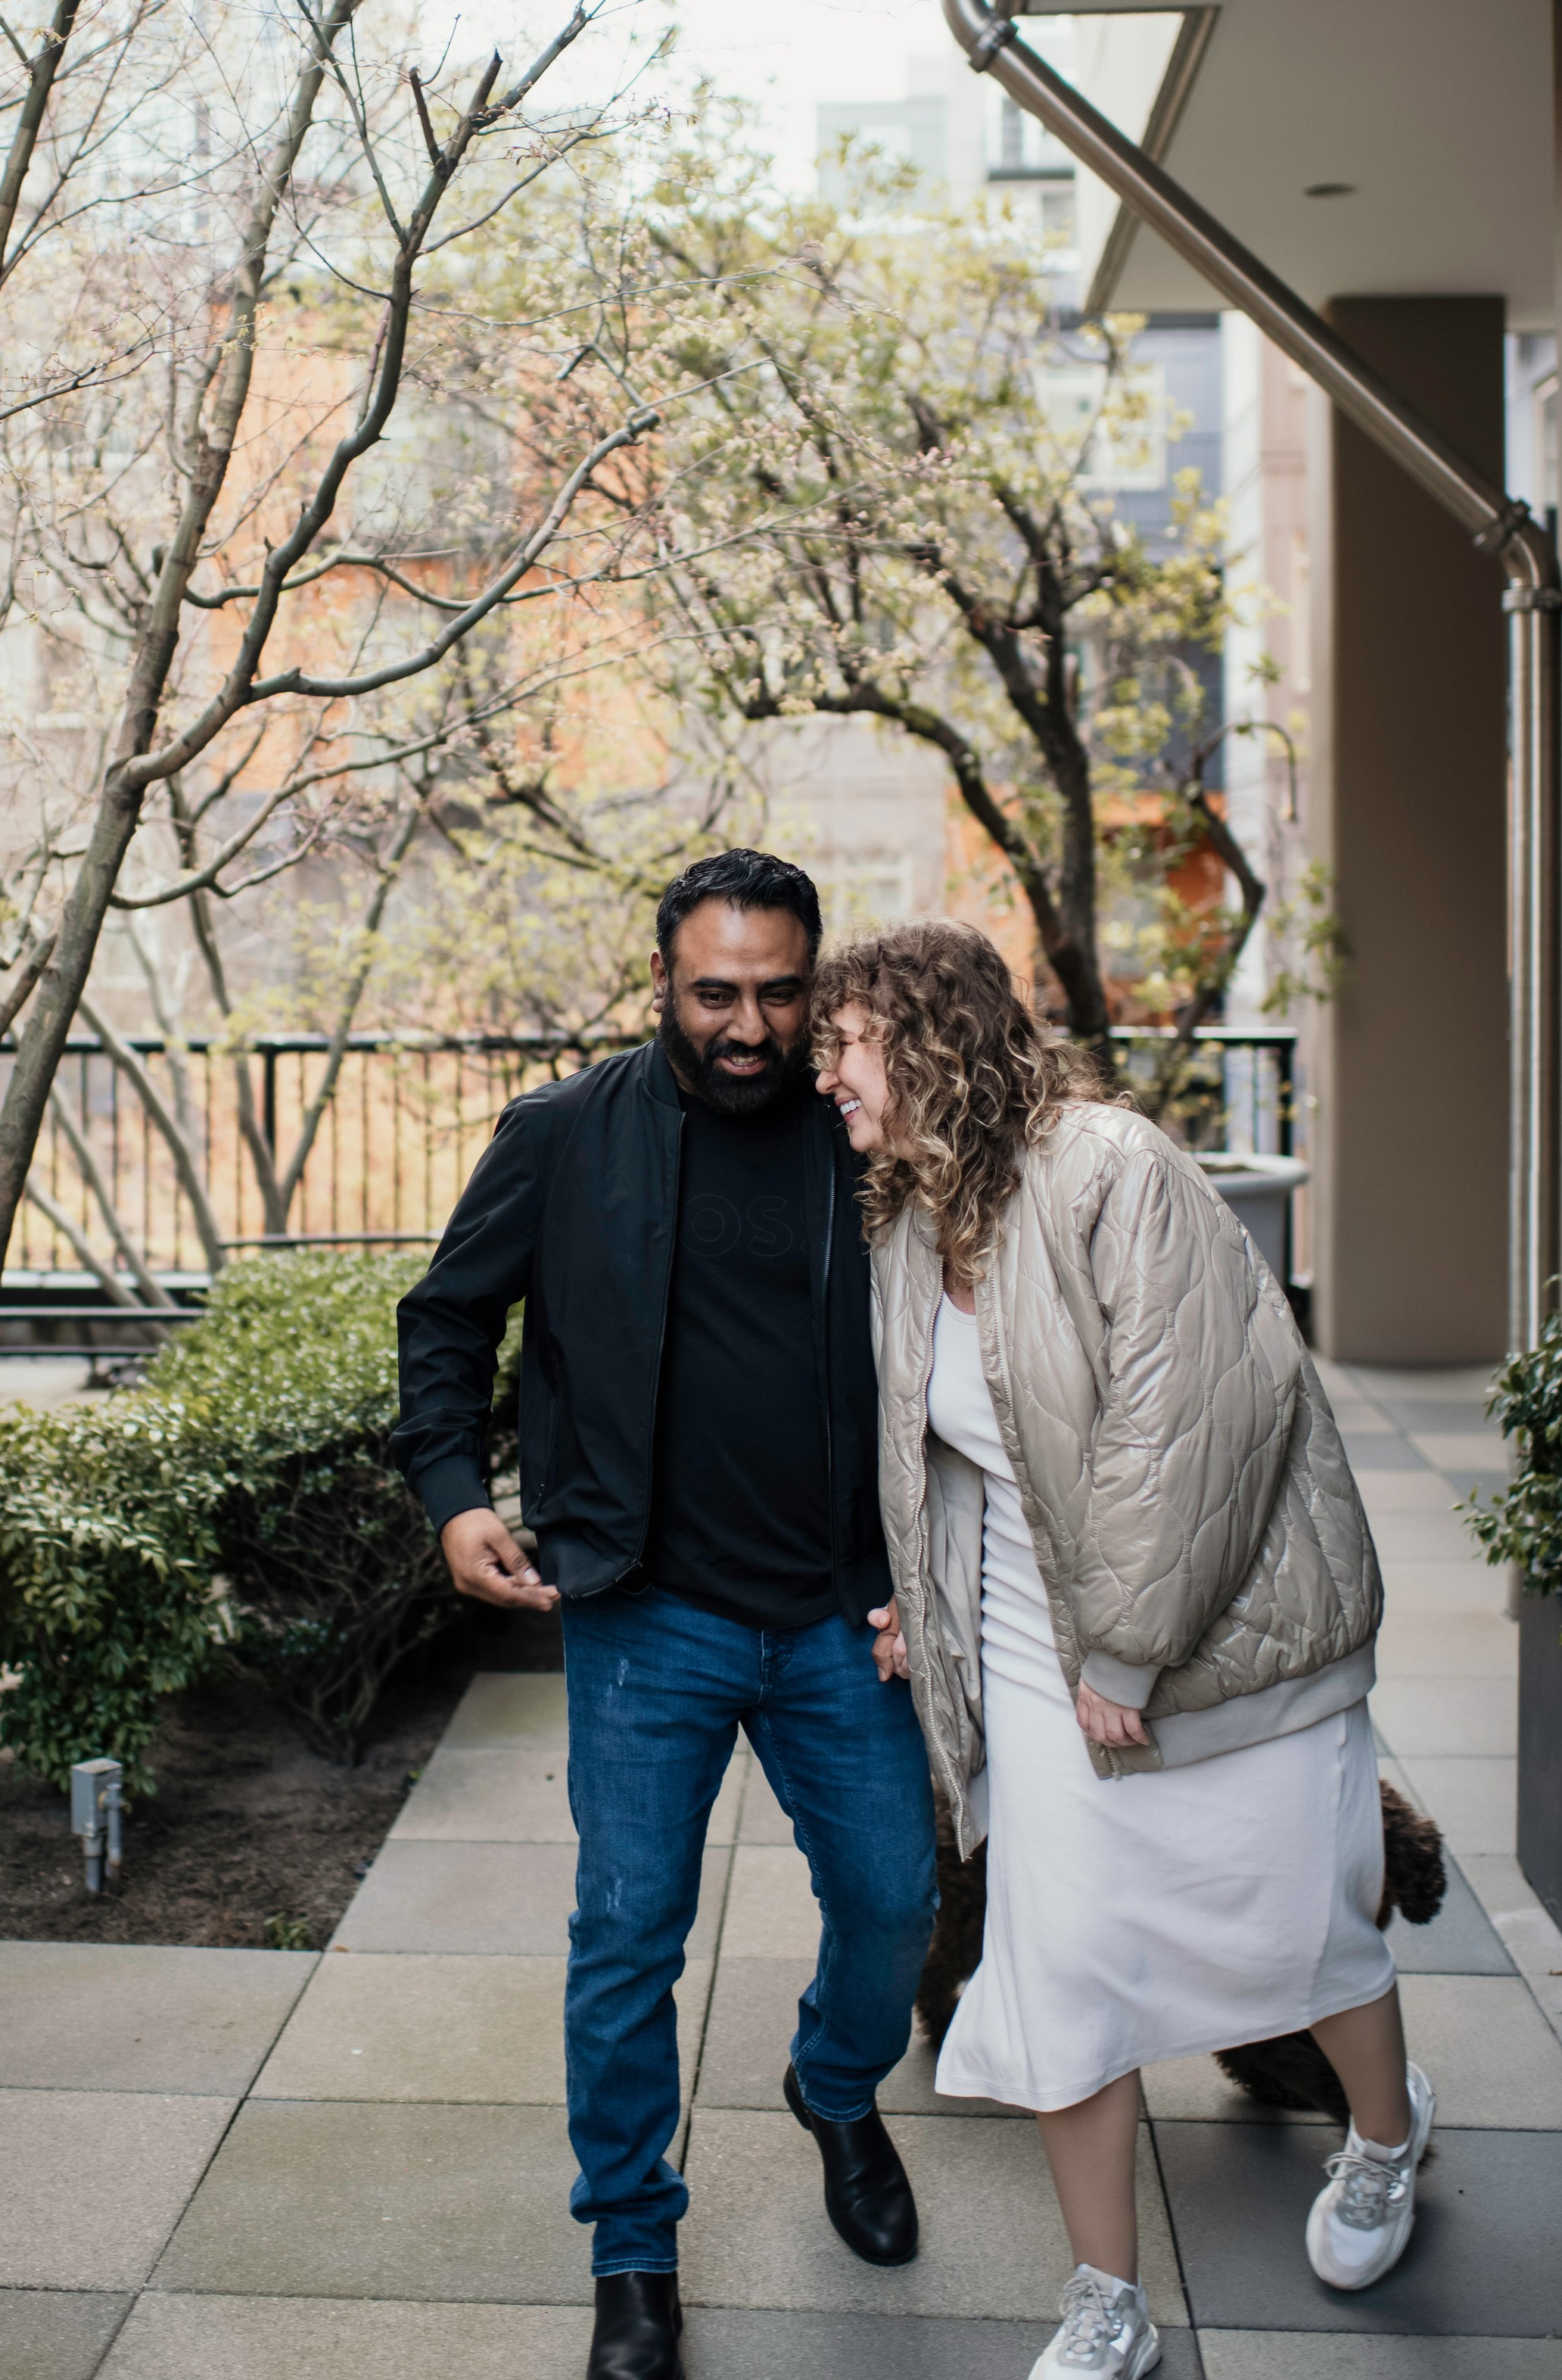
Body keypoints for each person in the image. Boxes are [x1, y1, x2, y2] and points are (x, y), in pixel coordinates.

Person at [813, 917, 1427, 2380]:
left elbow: (1196, 1424)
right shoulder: (903, 1220)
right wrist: (931, 1607)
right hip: (1035, 1659)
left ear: (928, 1037)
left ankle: (1389, 2145)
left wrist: (1127, 1662)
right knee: (1064, 1968)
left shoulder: (1115, 1168)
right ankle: (1109, 2301)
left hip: (1216, 1642)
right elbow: (942, 1457)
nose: (824, 1073)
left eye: (845, 1044)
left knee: (1304, 1934)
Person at [395, 850, 940, 2380]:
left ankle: (835, 2086)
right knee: (626, 1934)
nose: (749, 1023)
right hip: (646, 1609)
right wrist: (454, 1492)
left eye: (779, 992)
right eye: (716, 993)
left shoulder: (866, 1139)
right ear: (663, 986)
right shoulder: (567, 1135)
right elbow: (443, 1318)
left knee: (895, 1901)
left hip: (847, 1607)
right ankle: (630, 2241)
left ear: (812, 985)